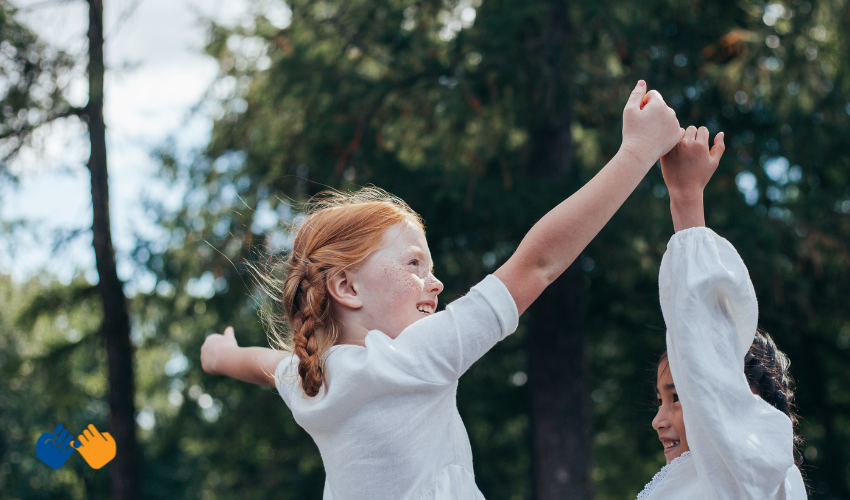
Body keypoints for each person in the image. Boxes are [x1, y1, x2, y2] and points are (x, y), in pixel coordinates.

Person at [200, 80, 683, 500]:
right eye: (414, 263)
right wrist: (637, 153)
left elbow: (260, 364)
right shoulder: (413, 359)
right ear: (346, 286)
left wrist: (219, 355)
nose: (436, 281)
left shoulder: (310, 380)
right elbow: (538, 264)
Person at [635, 126, 808, 499]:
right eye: (662, 400)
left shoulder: (750, 472)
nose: (658, 420)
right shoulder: (701, 482)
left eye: (677, 396)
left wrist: (686, 197)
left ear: (739, 393)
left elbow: (702, 343)